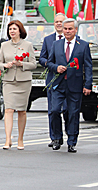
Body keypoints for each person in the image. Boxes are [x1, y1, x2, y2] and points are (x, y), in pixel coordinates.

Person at [47, 18, 93, 153]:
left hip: (75, 85)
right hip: (58, 84)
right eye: (65, 29)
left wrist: (88, 84)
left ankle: (72, 141)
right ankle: (56, 138)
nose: (67, 31)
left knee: (73, 113)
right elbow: (49, 63)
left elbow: (88, 67)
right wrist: (56, 68)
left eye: (70, 29)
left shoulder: (83, 45)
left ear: (75, 30)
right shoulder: (56, 44)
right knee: (55, 110)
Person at [0, 20, 36, 150]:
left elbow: (33, 64)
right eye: (10, 29)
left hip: (23, 81)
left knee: (21, 110)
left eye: (14, 29)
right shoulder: (4, 45)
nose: (12, 31)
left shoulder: (28, 45)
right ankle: (8, 139)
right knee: (8, 109)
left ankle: (20, 138)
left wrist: (22, 64)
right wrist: (4, 66)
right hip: (8, 81)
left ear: (20, 30)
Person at [39, 13, 68, 148]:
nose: (58, 24)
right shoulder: (48, 40)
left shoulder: (75, 39)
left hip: (68, 80)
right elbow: (42, 58)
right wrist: (53, 66)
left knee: (67, 110)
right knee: (53, 110)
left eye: (61, 21)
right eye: (56, 21)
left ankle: (70, 134)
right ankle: (55, 137)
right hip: (53, 79)